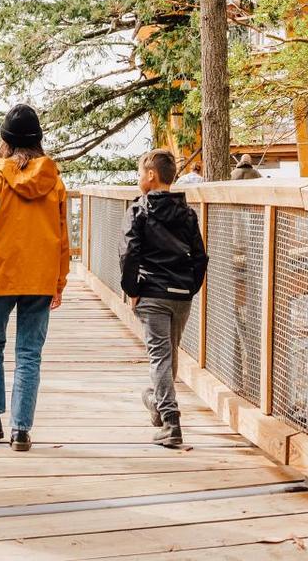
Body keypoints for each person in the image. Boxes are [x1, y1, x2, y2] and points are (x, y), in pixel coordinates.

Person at [0, 104, 70, 452]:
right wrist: (59, 280)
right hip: (39, 277)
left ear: (6, 141)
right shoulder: (54, 180)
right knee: (29, 353)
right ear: (38, 140)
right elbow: (62, 234)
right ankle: (21, 430)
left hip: (0, 274)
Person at [120, 149, 207, 449]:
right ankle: (158, 403)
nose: (139, 179)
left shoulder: (139, 210)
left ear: (151, 175)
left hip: (153, 293)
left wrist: (132, 290)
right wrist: (189, 287)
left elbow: (129, 254)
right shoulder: (188, 213)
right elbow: (200, 256)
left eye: (140, 173)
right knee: (169, 354)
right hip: (181, 295)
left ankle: (171, 423)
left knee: (160, 357)